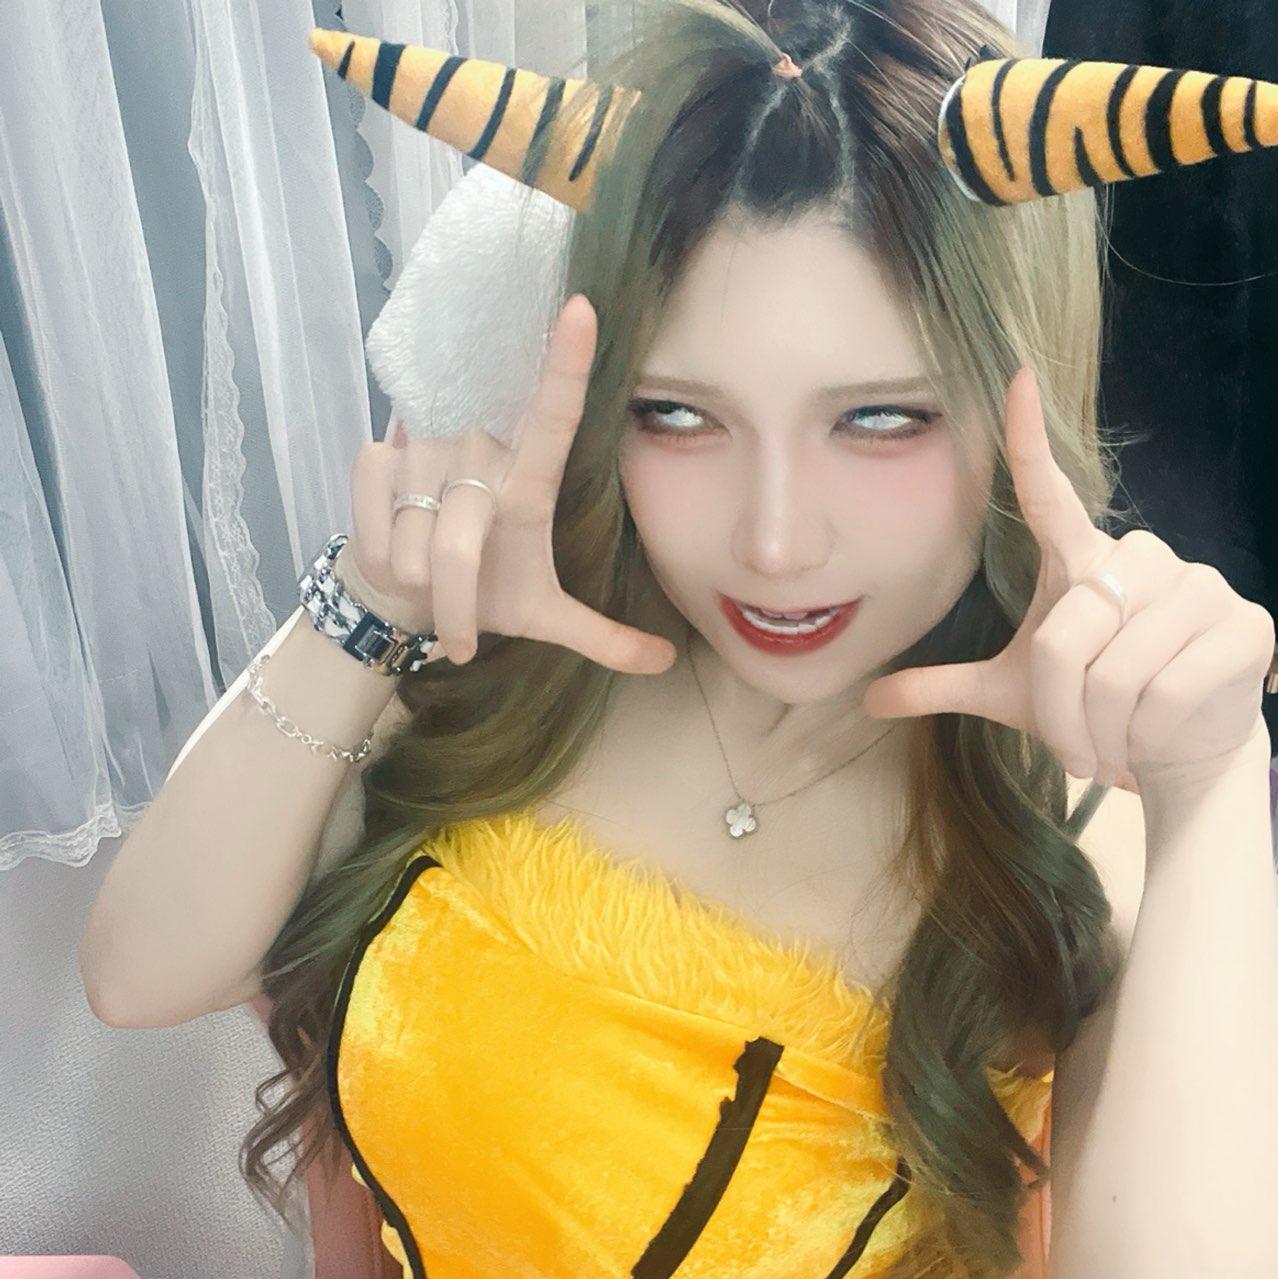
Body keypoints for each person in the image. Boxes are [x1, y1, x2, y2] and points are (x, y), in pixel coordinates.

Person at [78, 2, 1278, 1277]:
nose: (774, 542)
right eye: (679, 413)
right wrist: (367, 601)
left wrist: (1211, 783)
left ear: (1018, 387)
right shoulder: (511, 670)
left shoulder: (1072, 812)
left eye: (880, 420)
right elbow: (137, 975)